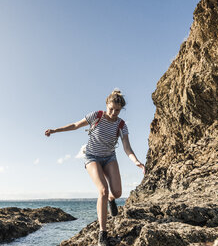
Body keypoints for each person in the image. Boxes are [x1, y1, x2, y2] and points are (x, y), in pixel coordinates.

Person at [45, 89, 145, 246]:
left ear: (121, 110)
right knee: (103, 190)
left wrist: (136, 161)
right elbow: (75, 125)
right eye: (111, 109)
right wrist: (55, 130)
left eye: (117, 110)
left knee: (117, 192)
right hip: (91, 157)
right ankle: (102, 234)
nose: (113, 112)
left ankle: (111, 199)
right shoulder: (96, 116)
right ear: (106, 105)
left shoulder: (121, 125)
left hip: (109, 158)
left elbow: (127, 147)